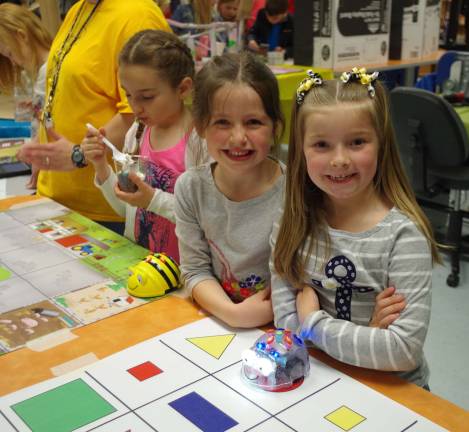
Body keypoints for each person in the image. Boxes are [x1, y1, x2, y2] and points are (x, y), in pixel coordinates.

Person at [271, 68, 441, 388]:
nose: (339, 160)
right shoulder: (291, 222)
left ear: (381, 145)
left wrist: (314, 322)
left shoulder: (402, 237)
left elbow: (402, 351)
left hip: (392, 392)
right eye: (321, 144)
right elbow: (286, 326)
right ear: (301, 150)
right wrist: (369, 332)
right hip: (322, 379)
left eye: (357, 142)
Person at [17, 0, 170, 234]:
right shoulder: (78, 10)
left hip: (105, 206)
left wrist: (78, 155)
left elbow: (140, 113)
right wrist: (44, 151)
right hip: (59, 198)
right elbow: (67, 89)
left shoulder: (136, 14)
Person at [174, 52, 285, 328]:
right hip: (221, 322)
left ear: (275, 128)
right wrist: (233, 314)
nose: (238, 138)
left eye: (253, 122)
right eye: (222, 123)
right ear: (201, 126)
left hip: (282, 328)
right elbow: (194, 270)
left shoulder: (297, 190)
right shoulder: (190, 188)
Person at [82, 30, 204, 262]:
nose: (135, 107)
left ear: (183, 88)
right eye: (128, 95)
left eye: (147, 97)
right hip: (141, 265)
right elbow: (126, 209)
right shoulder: (136, 133)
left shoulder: (201, 141)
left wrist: (152, 200)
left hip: (187, 276)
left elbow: (206, 218)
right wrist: (101, 166)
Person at [0, 3, 52, 188]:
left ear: (21, 36)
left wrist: (36, 157)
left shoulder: (47, 71)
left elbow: (43, 126)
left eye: (11, 54)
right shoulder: (44, 70)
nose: (14, 62)